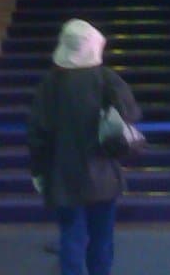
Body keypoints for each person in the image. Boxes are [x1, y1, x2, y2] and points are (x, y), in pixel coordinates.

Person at [27, 18, 141, 275]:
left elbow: (38, 134)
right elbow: (131, 113)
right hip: (103, 175)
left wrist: (38, 171)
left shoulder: (50, 84)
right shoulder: (105, 78)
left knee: (71, 238)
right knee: (102, 240)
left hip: (64, 176)